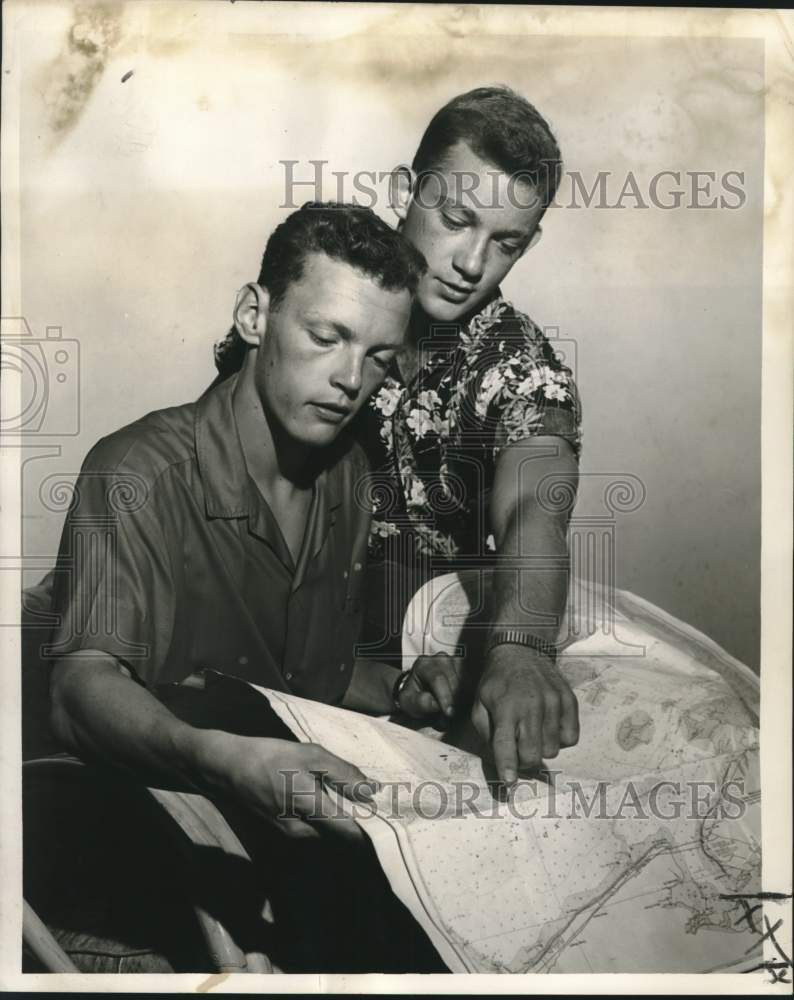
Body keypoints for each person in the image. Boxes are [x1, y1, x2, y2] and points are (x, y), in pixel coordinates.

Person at [42, 202, 444, 971]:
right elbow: (77, 689)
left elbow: (295, 677)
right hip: (149, 847)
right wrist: (222, 758)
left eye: (380, 357)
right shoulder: (136, 475)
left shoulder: (350, 474)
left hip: (283, 838)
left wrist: (400, 689)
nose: (351, 379)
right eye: (326, 337)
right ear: (254, 315)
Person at [352, 86, 584, 785]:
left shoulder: (522, 368)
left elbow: (535, 509)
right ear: (407, 191)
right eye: (457, 219)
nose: (471, 262)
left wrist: (519, 649)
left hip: (423, 656)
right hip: (270, 616)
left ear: (530, 242)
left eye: (505, 242)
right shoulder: (324, 292)